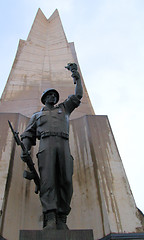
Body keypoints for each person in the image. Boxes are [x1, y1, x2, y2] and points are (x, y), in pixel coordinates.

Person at [20, 63, 83, 230]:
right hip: (46, 145)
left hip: (63, 144)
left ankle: (62, 217)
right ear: (44, 98)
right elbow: (27, 134)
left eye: (54, 95)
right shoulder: (36, 115)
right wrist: (25, 149)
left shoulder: (64, 109)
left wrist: (75, 75)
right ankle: (50, 218)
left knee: (66, 180)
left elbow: (78, 95)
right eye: (49, 95)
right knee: (48, 182)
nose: (52, 97)